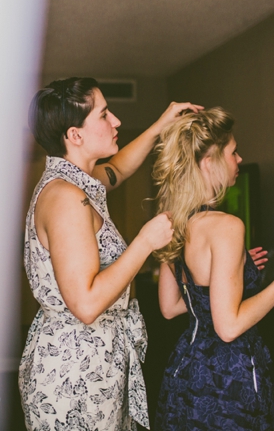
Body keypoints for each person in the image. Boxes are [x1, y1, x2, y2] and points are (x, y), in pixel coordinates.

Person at [19, 77, 200, 431]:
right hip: (74, 376)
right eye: (104, 115)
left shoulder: (79, 181)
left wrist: (162, 123)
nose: (115, 121)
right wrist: (145, 242)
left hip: (96, 365)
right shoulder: (67, 199)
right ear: (75, 136)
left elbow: (120, 168)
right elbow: (86, 304)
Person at [152, 107, 274, 430]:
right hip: (229, 377)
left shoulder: (174, 221)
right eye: (233, 152)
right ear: (208, 163)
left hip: (188, 370)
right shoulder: (227, 227)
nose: (239, 159)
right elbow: (228, 326)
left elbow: (170, 307)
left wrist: (233, 270)